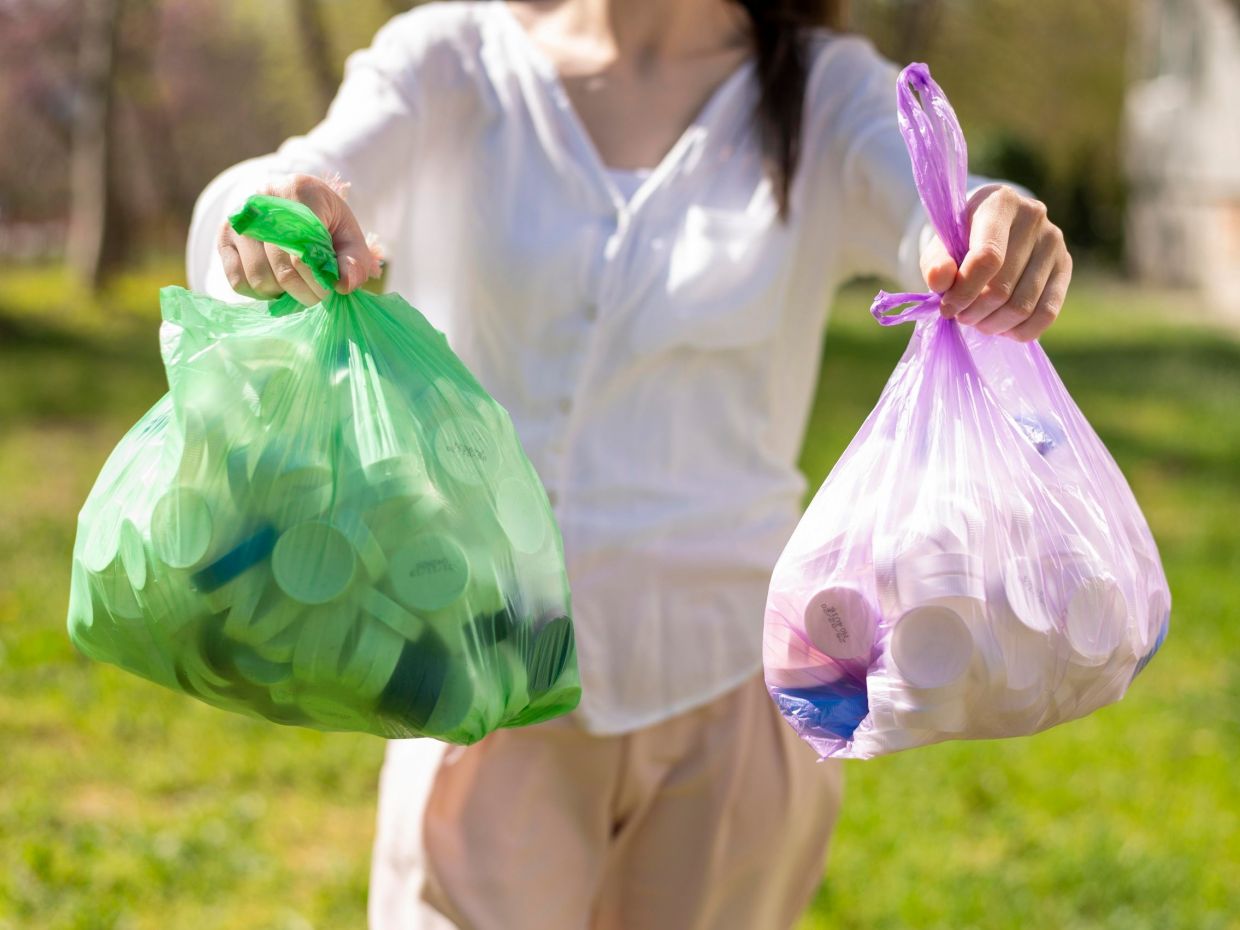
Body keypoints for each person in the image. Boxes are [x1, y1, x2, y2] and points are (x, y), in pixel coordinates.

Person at [188, 1, 1073, 927]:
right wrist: (272, 216)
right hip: (484, 677)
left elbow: (929, 200)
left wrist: (982, 227)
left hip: (730, 697)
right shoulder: (453, 57)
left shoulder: (819, 87)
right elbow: (305, 170)